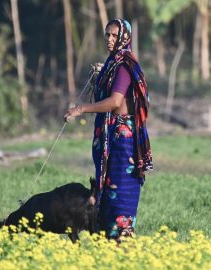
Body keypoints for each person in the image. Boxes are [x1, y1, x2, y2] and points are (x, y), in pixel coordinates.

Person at [63, 18, 153, 242]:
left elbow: (114, 102)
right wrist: (101, 76)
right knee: (106, 194)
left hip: (123, 142)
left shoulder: (123, 66)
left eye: (114, 35)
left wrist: (81, 109)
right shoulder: (113, 64)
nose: (110, 39)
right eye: (107, 35)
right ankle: (108, 245)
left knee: (120, 192)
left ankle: (122, 243)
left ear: (124, 37)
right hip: (112, 138)